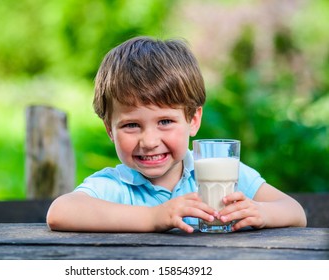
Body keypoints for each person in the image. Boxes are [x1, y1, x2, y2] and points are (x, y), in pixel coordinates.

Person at [46, 36, 307, 233]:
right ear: (109, 130)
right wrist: (153, 217)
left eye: (165, 121)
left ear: (193, 120)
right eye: (131, 125)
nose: (149, 142)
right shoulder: (116, 186)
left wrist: (261, 212)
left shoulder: (219, 172)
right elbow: (60, 212)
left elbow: (295, 212)